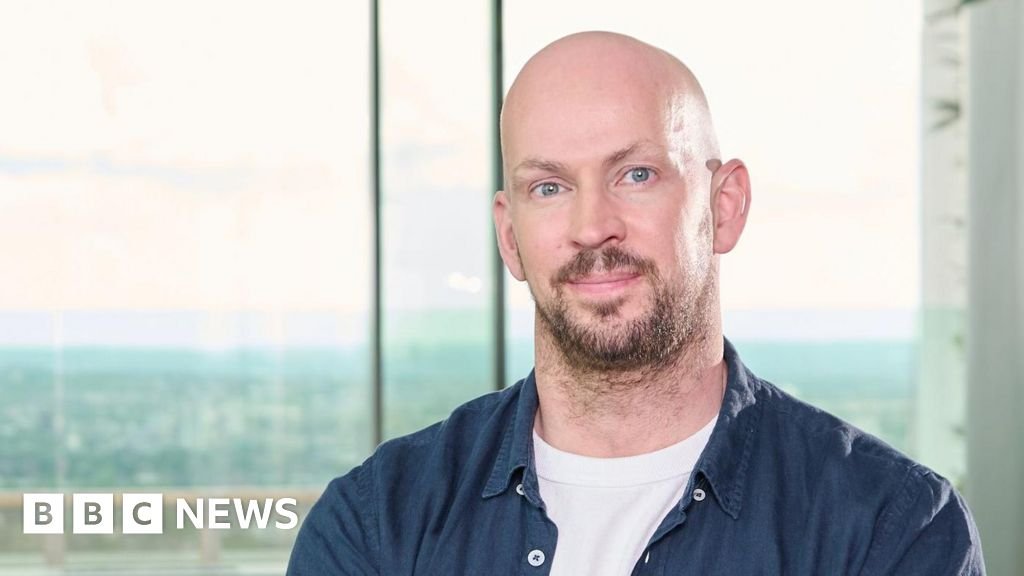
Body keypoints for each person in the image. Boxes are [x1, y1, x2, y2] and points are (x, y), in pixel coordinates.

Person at [287, 31, 985, 575]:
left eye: (637, 174)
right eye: (549, 188)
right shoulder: (375, 525)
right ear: (509, 237)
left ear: (724, 206)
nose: (593, 227)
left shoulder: (889, 529)